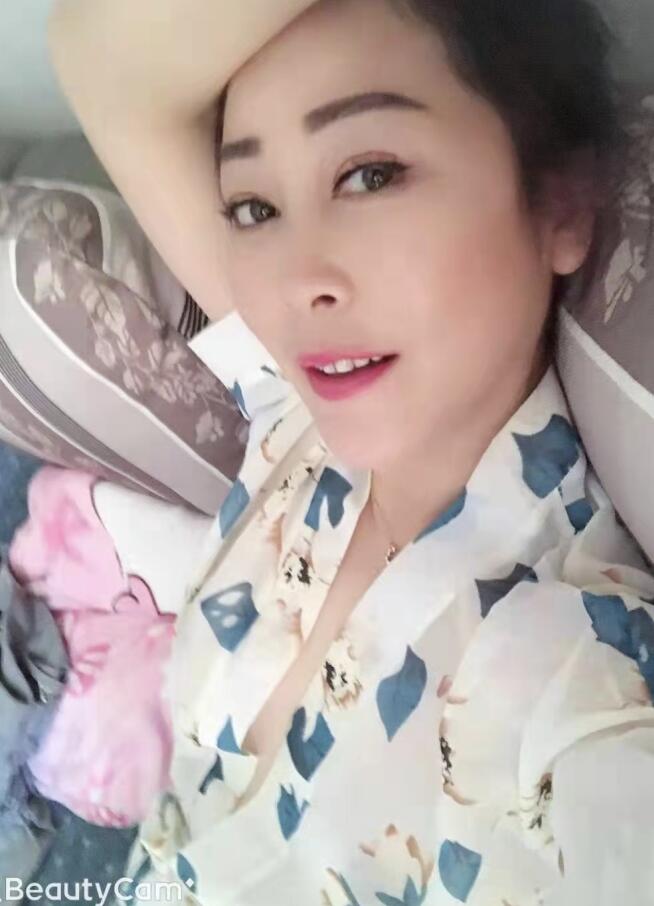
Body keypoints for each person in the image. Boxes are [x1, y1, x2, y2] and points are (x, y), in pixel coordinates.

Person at [48, 0, 654, 903]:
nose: (296, 284)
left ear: (560, 201)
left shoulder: (573, 672)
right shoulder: (294, 407)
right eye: (254, 207)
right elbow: (98, 57)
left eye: (371, 175)